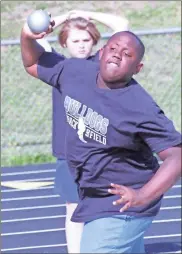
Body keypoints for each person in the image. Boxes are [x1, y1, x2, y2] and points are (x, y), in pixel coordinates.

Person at [21, 20, 182, 253]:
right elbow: (34, 63)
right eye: (114, 48)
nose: (117, 55)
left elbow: (177, 155)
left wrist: (142, 196)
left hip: (122, 204)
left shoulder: (140, 107)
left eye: (127, 54)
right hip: (92, 195)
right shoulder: (75, 72)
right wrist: (27, 36)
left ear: (138, 68)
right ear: (101, 52)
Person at [35, 10, 129, 253]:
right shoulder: (55, 65)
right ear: (64, 43)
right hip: (69, 153)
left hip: (102, 152)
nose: (81, 45)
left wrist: (85, 14)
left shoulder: (103, 61)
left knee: (107, 209)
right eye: (75, 41)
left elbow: (121, 23)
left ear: (94, 42)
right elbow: (35, 35)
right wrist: (62, 19)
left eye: (86, 40)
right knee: (74, 209)